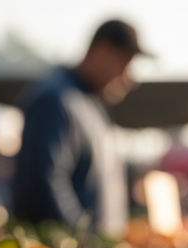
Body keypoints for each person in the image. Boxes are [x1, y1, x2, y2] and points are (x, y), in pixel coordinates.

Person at [12, 19, 147, 236]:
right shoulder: (56, 100)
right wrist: (82, 242)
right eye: (124, 65)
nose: (129, 78)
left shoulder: (89, 103)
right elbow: (44, 184)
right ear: (103, 52)